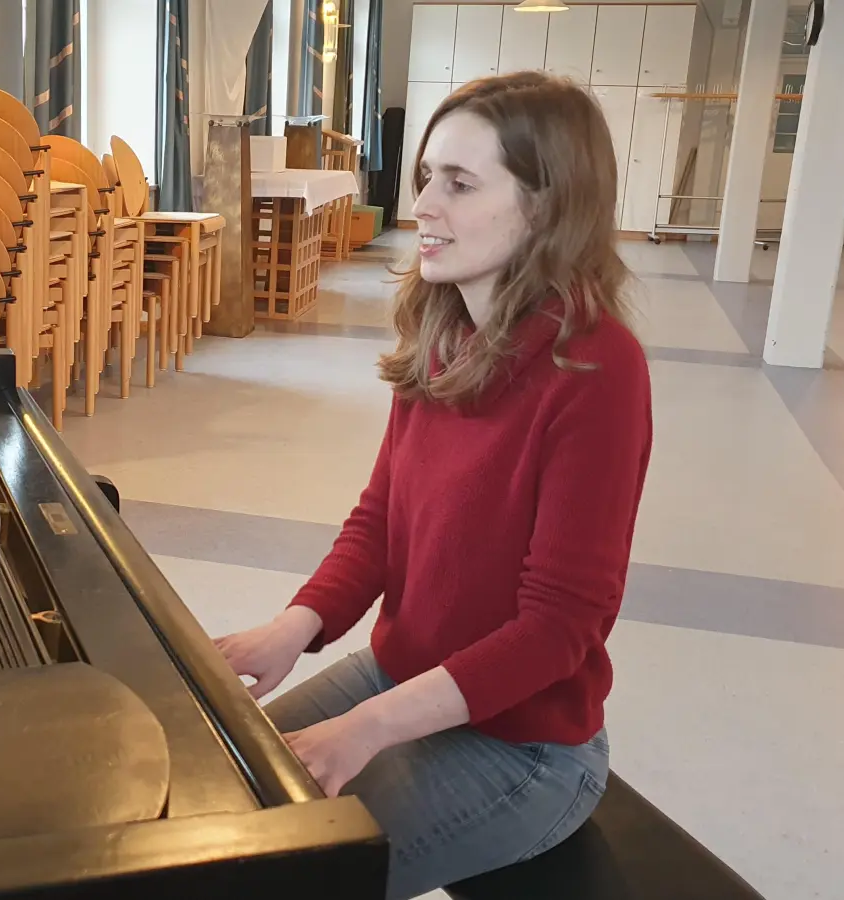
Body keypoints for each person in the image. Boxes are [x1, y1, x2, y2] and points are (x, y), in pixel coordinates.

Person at [215, 71, 653, 899]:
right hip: (400, 675)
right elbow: (384, 520)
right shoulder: (445, 329)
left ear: (547, 205)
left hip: (522, 748)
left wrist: (365, 731)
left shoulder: (596, 369)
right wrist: (294, 626)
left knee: (265, 875)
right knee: (215, 792)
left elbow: (559, 627)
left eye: (458, 183)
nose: (422, 203)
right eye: (425, 177)